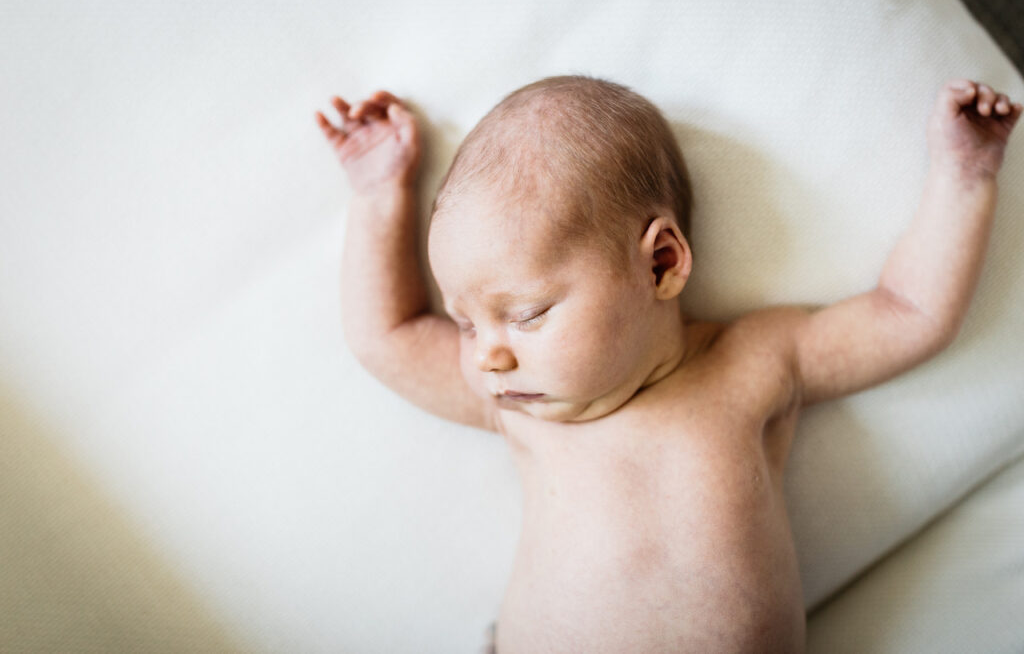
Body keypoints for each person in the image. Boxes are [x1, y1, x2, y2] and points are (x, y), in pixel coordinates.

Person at [316, 76, 1021, 652]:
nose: (489, 352)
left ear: (661, 263)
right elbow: (392, 333)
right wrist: (382, 196)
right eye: (466, 324)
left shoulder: (753, 361)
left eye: (526, 313)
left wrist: (965, 176)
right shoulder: (517, 404)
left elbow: (908, 313)